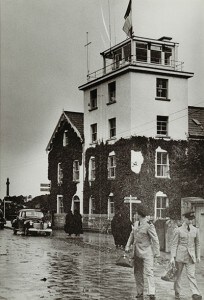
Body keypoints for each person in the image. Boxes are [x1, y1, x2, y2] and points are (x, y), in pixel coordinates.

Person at [125, 204, 160, 300]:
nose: (135, 215)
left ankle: (151, 293)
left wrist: (157, 254)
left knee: (149, 272)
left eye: (136, 213)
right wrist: (127, 246)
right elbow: (131, 235)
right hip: (136, 252)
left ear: (139, 214)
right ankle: (139, 292)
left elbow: (155, 239)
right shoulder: (136, 224)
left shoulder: (149, 225)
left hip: (147, 252)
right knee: (137, 272)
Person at [170, 211, 202, 300]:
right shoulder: (178, 230)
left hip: (191, 257)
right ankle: (177, 293)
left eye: (192, 219)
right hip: (179, 256)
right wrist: (172, 257)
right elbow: (174, 244)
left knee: (191, 275)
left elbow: (197, 244)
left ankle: (195, 293)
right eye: (189, 219)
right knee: (178, 275)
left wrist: (198, 256)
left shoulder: (195, 229)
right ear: (184, 218)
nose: (191, 221)